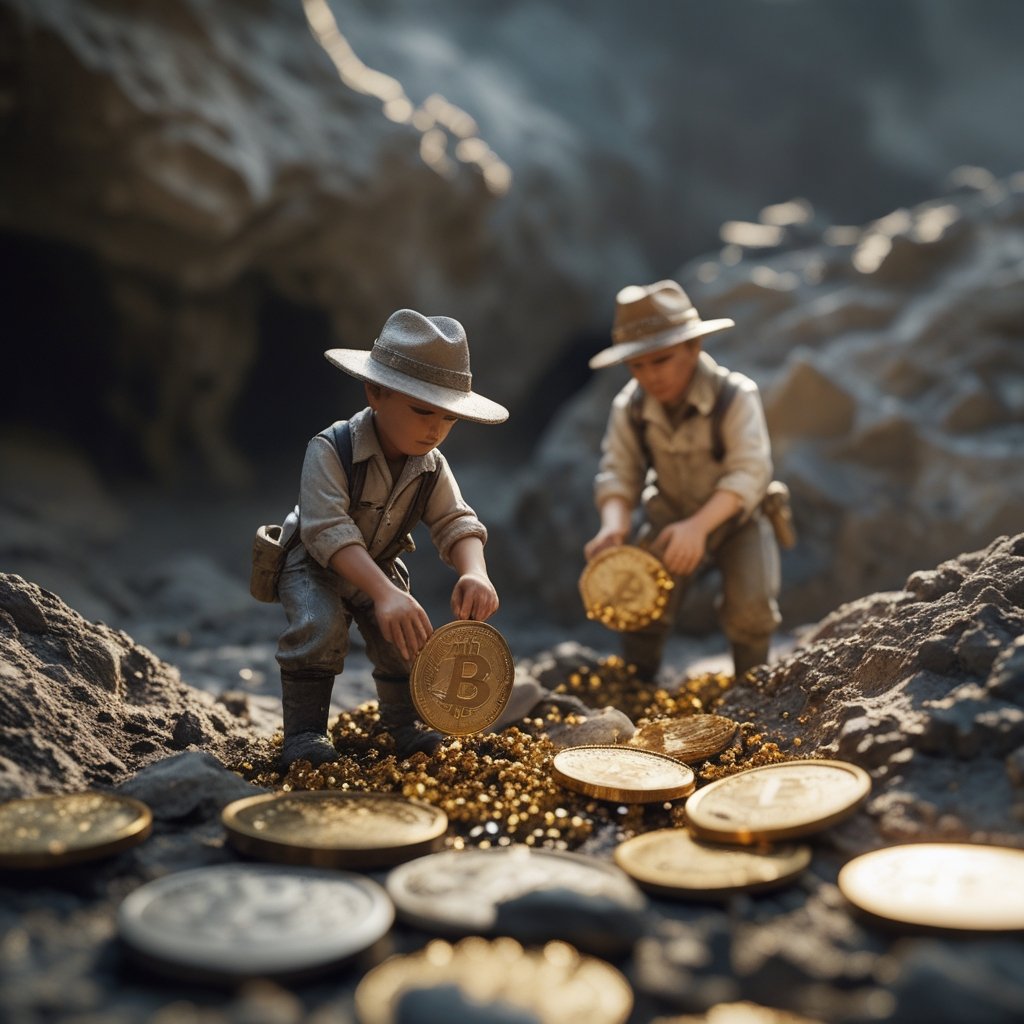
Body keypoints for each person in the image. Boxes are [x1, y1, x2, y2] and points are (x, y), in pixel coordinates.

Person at [275, 308, 508, 767]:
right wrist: (383, 593)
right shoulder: (331, 448)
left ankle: (404, 726)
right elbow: (326, 531)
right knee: (318, 629)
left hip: (379, 564)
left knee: (407, 639)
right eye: (422, 410)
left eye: (449, 418)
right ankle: (303, 735)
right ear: (376, 392)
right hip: (316, 564)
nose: (435, 429)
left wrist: (475, 572)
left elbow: (455, 520)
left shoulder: (431, 464)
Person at [583, 279, 781, 680]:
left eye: (662, 360)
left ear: (694, 348)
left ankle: (752, 687)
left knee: (752, 608)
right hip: (668, 516)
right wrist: (613, 527)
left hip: (736, 519)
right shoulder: (631, 407)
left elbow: (750, 471)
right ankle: (637, 684)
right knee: (640, 601)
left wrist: (700, 527)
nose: (651, 376)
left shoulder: (735, 396)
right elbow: (619, 471)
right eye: (637, 365)